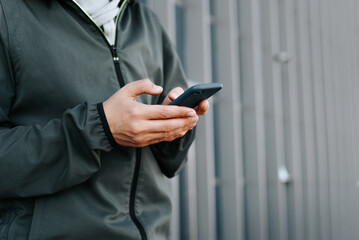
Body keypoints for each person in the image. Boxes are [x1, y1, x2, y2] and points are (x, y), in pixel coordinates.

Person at [0, 0, 208, 239]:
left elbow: (174, 161)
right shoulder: (9, 14)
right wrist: (99, 128)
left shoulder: (144, 20)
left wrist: (172, 126)